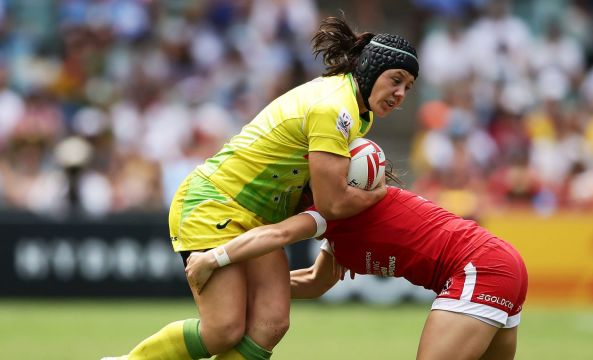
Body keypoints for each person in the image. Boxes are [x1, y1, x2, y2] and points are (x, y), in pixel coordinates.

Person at [105, 16, 419, 360]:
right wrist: (376, 196)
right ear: (371, 71)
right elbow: (331, 204)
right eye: (396, 80)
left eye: (408, 87)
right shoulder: (334, 108)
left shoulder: (360, 113)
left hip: (260, 216)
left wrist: (338, 232)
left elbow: (315, 192)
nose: (400, 94)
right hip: (216, 201)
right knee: (223, 329)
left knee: (271, 322)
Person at [186, 184, 528, 360]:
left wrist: (213, 260)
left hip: (480, 269)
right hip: (500, 265)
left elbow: (278, 234)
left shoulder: (337, 209)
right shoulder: (342, 229)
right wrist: (238, 291)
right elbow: (313, 282)